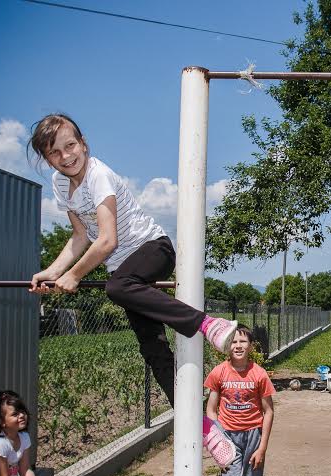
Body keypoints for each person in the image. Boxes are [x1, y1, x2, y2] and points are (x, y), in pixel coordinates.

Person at [27, 113, 238, 409]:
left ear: (83, 144)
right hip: (126, 273)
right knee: (152, 348)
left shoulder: (98, 176)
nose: (65, 156)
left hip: (153, 249)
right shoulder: (60, 183)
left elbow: (106, 240)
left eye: (70, 145)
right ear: (47, 159)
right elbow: (79, 236)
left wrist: (74, 276)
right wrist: (51, 272)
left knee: (116, 288)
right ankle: (201, 422)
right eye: (55, 152)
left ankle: (208, 325)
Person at [205, 325, 275, 476]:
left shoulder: (259, 374)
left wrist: (262, 448)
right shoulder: (219, 372)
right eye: (233, 342)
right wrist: (217, 440)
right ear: (227, 346)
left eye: (243, 341)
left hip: (253, 437)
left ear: (251, 346)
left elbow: (269, 411)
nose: (238, 346)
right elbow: (211, 409)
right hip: (227, 438)